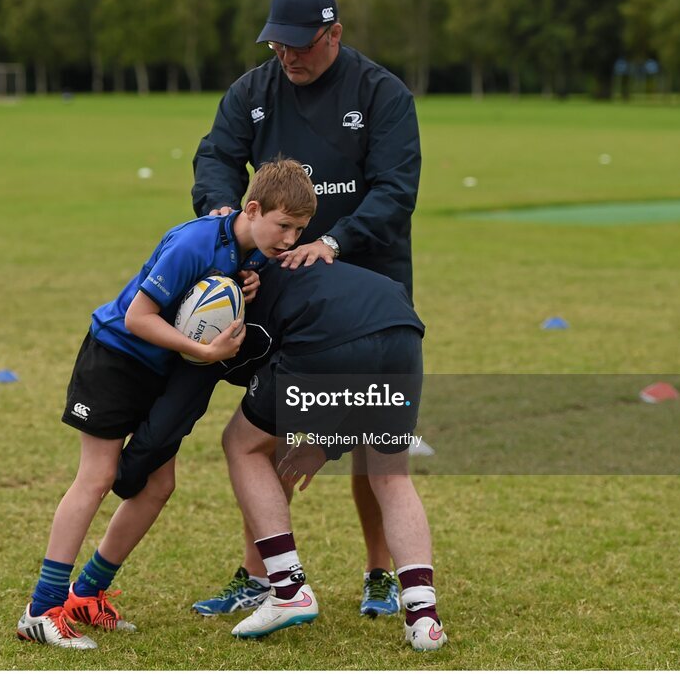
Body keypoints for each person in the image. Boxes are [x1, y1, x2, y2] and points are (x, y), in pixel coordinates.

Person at [191, 0, 422, 619]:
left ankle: (381, 575)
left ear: (335, 35)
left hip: (366, 291)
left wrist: (336, 242)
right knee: (265, 436)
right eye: (278, 46)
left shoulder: (382, 94)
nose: (289, 58)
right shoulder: (253, 90)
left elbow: (395, 189)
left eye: (302, 47)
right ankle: (261, 575)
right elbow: (216, 157)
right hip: (280, 293)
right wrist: (219, 211)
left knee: (378, 443)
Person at [15, 159, 316, 649]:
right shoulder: (194, 242)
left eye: (299, 230)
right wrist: (203, 351)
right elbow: (138, 316)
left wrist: (247, 289)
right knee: (96, 478)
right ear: (253, 207)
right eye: (283, 226)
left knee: (158, 486)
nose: (288, 239)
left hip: (160, 371)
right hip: (116, 358)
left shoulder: (254, 253)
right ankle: (41, 608)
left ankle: (87, 594)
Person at [114, 260, 448, 651]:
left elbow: (176, 412)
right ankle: (423, 617)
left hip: (329, 334)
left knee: (242, 443)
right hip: (401, 326)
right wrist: (328, 445)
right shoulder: (250, 267)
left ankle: (288, 590)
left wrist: (125, 473)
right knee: (391, 475)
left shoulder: (219, 322)